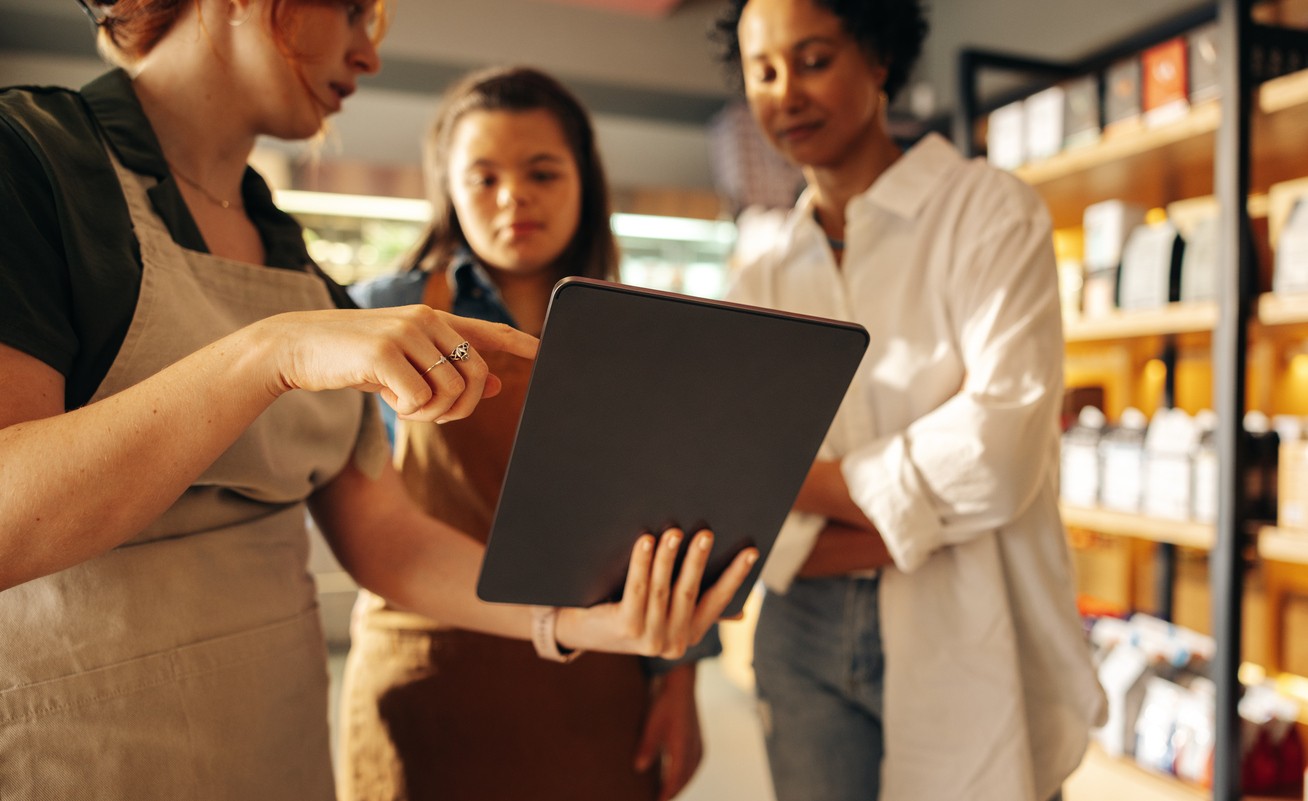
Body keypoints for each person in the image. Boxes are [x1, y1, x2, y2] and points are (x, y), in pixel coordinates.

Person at [0, 2, 758, 798]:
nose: (369, 55)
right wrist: (273, 351)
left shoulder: (294, 262)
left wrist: (577, 624)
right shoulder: (35, 162)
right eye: (354, 10)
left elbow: (387, 536)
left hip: (275, 751)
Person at [713, 1, 1108, 800]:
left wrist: (804, 485)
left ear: (881, 58)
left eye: (814, 59)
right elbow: (738, 488)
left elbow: (998, 452)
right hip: (803, 630)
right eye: (763, 70)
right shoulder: (760, 268)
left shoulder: (989, 211)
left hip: (970, 614)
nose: (785, 93)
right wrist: (926, 519)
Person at [338, 65, 713, 801]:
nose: (515, 197)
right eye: (484, 178)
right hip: (427, 682)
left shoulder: (642, 332)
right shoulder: (382, 312)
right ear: (447, 185)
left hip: (595, 681)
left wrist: (681, 678)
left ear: (584, 181)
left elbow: (677, 515)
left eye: (542, 171)